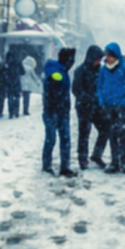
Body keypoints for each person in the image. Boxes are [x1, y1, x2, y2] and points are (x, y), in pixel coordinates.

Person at [97, 42, 125, 174]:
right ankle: (114, 162)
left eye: (108, 55)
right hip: (108, 106)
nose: (106, 58)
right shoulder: (104, 70)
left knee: (121, 134)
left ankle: (124, 162)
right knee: (111, 134)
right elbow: (99, 86)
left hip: (121, 107)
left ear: (115, 56)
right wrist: (102, 102)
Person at [72, 45, 110, 171]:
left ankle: (96, 155)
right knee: (84, 133)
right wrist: (89, 98)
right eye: (97, 59)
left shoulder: (101, 71)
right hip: (84, 107)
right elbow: (76, 89)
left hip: (97, 107)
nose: (99, 62)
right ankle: (82, 158)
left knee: (105, 129)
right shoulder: (80, 71)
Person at [42, 48, 77, 178]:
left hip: (60, 111)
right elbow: (53, 91)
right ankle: (51, 166)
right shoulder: (57, 73)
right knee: (54, 139)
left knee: (62, 139)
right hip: (54, 112)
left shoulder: (61, 71)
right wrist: (56, 106)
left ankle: (61, 166)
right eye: (71, 59)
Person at [6, 52, 25, 119]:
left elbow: (4, 72)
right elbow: (23, 72)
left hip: (9, 82)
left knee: (10, 97)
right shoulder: (18, 62)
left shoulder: (7, 63)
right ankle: (16, 111)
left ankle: (10, 112)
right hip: (16, 82)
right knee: (17, 97)